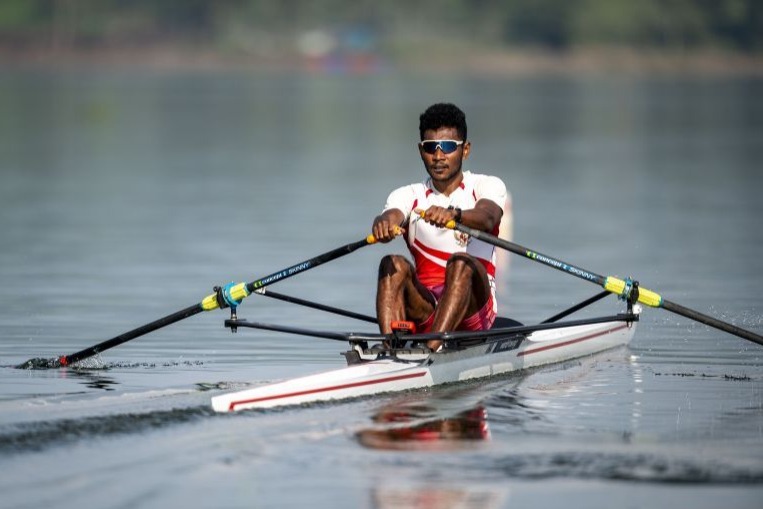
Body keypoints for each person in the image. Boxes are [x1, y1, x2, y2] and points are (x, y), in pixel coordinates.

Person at [371, 102, 509, 351]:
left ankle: (430, 350)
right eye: (430, 147)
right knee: (391, 263)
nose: (438, 156)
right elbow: (391, 215)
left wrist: (454, 216)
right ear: (420, 150)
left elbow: (488, 217)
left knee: (461, 262)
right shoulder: (408, 195)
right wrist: (383, 226)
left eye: (447, 147)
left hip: (475, 312)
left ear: (465, 150)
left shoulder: (487, 186)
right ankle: (388, 350)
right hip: (427, 310)